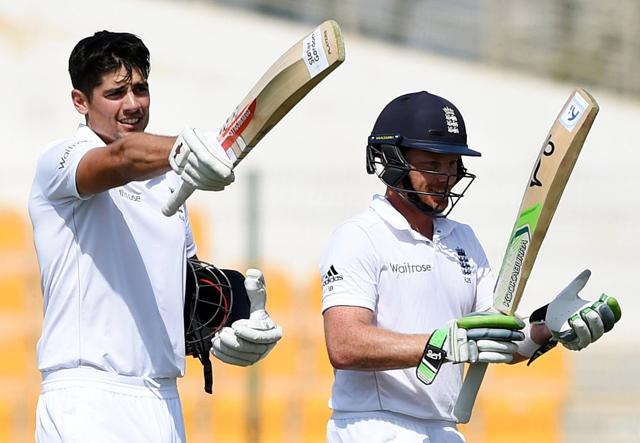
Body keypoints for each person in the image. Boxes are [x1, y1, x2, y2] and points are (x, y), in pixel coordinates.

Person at [319, 91, 621, 442]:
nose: (446, 177)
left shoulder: (463, 239)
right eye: (432, 164)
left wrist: (547, 326)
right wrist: (440, 345)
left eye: (452, 165)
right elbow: (344, 345)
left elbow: (493, 339)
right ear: (392, 160)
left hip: (444, 429)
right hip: (372, 426)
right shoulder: (359, 237)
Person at [28, 30, 282, 442]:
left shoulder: (170, 185)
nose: (132, 104)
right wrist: (184, 148)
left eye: (140, 89)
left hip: (161, 401)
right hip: (86, 400)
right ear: (80, 101)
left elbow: (187, 296)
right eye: (115, 93)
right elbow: (120, 158)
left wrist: (237, 323)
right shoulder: (60, 161)